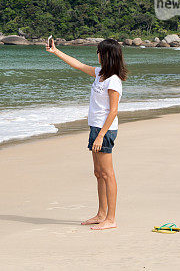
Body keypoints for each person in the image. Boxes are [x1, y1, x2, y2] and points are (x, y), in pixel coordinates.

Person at [45, 38, 127, 230]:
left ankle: (111, 219)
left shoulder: (114, 80)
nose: (97, 55)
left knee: (108, 174)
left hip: (104, 131)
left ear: (106, 55)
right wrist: (56, 51)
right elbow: (79, 65)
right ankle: (101, 214)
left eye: (99, 52)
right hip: (95, 127)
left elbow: (113, 111)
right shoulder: (100, 73)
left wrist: (100, 135)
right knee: (98, 173)